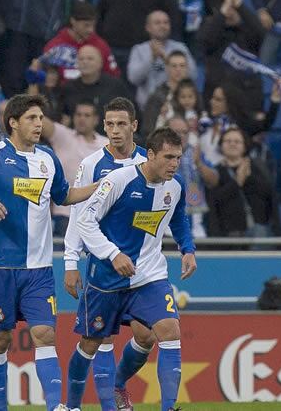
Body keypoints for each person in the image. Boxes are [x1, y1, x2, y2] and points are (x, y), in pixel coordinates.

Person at [0, 94, 98, 411]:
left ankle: (56, 406)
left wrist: (101, 187)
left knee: (45, 334)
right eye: (32, 118)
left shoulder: (47, 157)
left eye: (41, 118)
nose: (39, 124)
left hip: (38, 271)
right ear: (13, 122)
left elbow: (65, 195)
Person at [66, 127, 197, 411]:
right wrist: (112, 254)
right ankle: (72, 406)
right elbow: (85, 221)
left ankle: (166, 406)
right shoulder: (118, 180)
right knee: (90, 344)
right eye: (168, 157)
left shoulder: (175, 186)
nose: (174, 164)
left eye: (178, 157)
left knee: (167, 330)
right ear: (150, 154)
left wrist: (187, 248)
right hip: (106, 277)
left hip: (149, 276)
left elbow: (178, 219)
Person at [61, 97, 152, 411]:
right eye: (110, 124)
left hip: (141, 269)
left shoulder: (147, 162)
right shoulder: (91, 165)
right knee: (93, 341)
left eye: (121, 124)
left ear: (134, 126)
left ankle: (117, 385)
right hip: (103, 267)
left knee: (147, 334)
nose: (115, 130)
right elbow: (78, 214)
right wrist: (71, 261)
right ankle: (71, 406)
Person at [40, 99, 108, 235]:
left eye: (87, 115)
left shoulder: (106, 144)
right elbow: (39, 119)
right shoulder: (63, 136)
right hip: (65, 212)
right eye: (78, 115)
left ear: (96, 119)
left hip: (96, 214)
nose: (82, 119)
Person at [208, 127, 279, 244]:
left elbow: (268, 194)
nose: (232, 144)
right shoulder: (215, 172)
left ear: (245, 146)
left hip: (259, 232)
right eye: (228, 141)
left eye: (237, 141)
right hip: (229, 235)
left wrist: (249, 177)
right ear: (221, 145)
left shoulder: (257, 167)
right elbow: (215, 201)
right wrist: (236, 182)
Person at [127, 10, 197, 108]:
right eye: (157, 23)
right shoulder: (138, 50)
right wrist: (151, 58)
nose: (162, 26)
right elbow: (133, 79)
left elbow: (193, 75)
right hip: (147, 109)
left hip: (178, 107)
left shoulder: (180, 48)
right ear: (148, 27)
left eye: (166, 22)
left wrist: (167, 60)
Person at [42, 0, 119, 82]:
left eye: (93, 25)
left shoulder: (101, 45)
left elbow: (113, 77)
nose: (91, 30)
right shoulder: (54, 47)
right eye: (86, 25)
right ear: (73, 21)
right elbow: (46, 82)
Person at [63, 45, 131, 131]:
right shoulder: (68, 88)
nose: (85, 62)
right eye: (81, 59)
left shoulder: (115, 86)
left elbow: (131, 113)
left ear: (100, 63)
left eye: (90, 59)